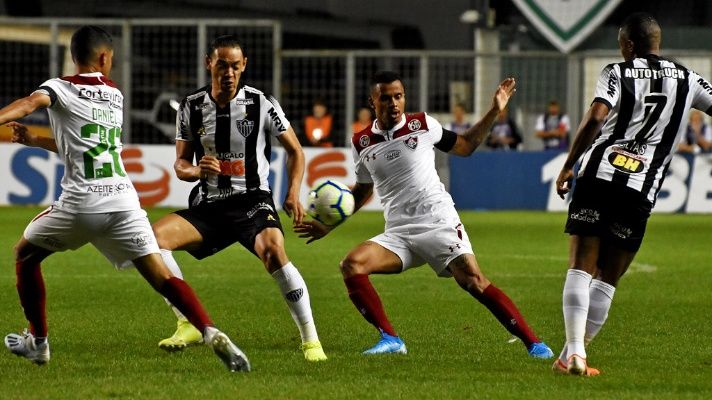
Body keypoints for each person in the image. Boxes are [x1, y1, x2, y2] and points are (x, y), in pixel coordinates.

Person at [0, 26, 249, 372]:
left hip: (81, 204)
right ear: (104, 58)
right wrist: (36, 140)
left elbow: (28, 104)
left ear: (75, 56)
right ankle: (210, 330)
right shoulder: (114, 95)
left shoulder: (59, 87)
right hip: (123, 203)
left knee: (25, 256)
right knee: (161, 276)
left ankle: (38, 342)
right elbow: (83, 145)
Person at [295, 71, 553, 359]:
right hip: (398, 233)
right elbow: (363, 191)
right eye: (386, 98)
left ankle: (535, 344)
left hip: (437, 221)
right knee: (351, 265)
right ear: (372, 102)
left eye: (398, 96)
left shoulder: (422, 124)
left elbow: (466, 146)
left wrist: (494, 110)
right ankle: (391, 339)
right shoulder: (362, 142)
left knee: (473, 281)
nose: (394, 103)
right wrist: (328, 226)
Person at [554, 13, 712, 376]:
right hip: (640, 187)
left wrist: (569, 163)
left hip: (599, 174)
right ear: (657, 42)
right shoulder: (689, 79)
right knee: (607, 277)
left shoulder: (617, 72)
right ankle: (572, 356)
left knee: (581, 265)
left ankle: (573, 353)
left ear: (628, 45)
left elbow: (597, 116)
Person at [151, 35, 327, 362]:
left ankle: (311, 340)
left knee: (273, 251)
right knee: (152, 242)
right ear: (209, 64)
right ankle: (187, 322)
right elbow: (180, 164)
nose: (229, 73)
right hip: (210, 206)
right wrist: (196, 170)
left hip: (252, 201)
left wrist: (292, 193)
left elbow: (296, 151)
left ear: (244, 65)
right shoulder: (191, 106)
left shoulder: (262, 103)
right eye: (222, 65)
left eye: (235, 66)